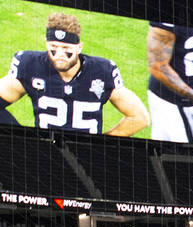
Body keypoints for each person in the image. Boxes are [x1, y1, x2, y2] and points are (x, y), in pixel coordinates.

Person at [0, 12, 150, 136]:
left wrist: (102, 144)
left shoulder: (102, 71)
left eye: (66, 48)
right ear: (46, 42)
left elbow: (140, 117)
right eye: (53, 47)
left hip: (85, 158)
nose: (59, 54)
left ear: (79, 47)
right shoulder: (31, 65)